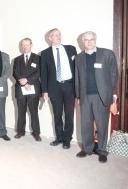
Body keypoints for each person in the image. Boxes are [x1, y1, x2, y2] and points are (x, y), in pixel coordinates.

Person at [75, 31, 118, 163]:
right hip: (85, 96)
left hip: (101, 96)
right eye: (86, 40)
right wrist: (78, 95)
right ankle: (87, 149)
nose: (89, 42)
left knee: (102, 125)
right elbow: (77, 77)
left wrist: (111, 94)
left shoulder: (107, 54)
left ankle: (102, 151)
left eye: (91, 39)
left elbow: (114, 75)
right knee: (86, 124)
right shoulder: (79, 57)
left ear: (95, 40)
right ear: (83, 42)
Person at [40, 28, 77, 149]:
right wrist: (44, 91)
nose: (58, 37)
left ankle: (67, 139)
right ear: (50, 38)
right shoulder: (45, 53)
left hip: (70, 86)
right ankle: (59, 137)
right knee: (57, 114)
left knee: (69, 114)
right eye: (55, 35)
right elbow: (43, 74)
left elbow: (77, 69)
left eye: (59, 34)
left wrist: (78, 88)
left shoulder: (71, 49)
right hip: (54, 87)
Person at [13, 38, 41, 141]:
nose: (25, 47)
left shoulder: (38, 58)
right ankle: (20, 131)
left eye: (27, 45)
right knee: (21, 112)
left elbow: (39, 72)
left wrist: (28, 81)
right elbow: (15, 72)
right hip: (20, 88)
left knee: (34, 112)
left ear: (31, 45)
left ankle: (36, 133)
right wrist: (23, 81)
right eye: (23, 45)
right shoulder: (17, 59)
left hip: (33, 89)